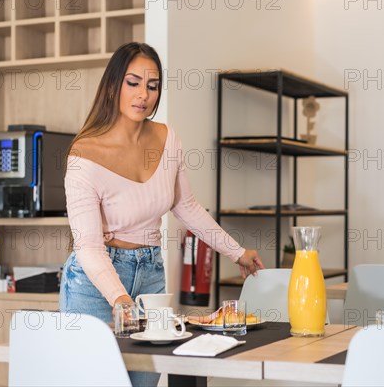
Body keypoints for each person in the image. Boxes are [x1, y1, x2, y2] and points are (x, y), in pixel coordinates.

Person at [59, 42, 264, 386]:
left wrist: (237, 252)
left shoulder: (168, 138)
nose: (143, 95)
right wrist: (121, 299)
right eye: (133, 82)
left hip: (150, 277)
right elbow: (89, 247)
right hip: (94, 285)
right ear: (113, 85)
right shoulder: (85, 156)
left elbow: (187, 207)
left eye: (152, 86)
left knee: (143, 383)